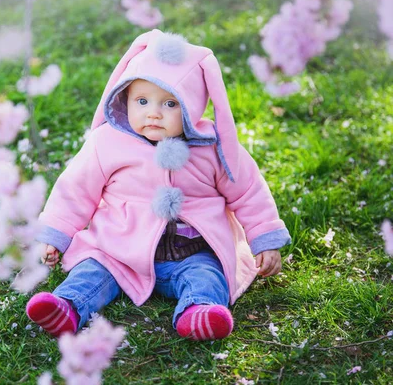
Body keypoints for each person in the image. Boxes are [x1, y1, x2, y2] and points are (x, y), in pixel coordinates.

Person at [25, 29, 291, 341]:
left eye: (169, 104)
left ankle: (199, 312)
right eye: (142, 101)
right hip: (121, 249)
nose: (153, 112)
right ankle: (67, 306)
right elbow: (75, 190)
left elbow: (248, 192)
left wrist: (264, 239)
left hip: (192, 252)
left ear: (191, 106)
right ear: (125, 99)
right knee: (92, 270)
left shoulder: (214, 149)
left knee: (207, 277)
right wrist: (57, 235)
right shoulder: (107, 143)